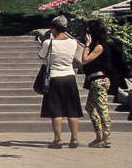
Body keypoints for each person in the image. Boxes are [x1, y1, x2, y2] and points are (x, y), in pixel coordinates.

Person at [39, 16, 82, 149]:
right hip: (70, 76)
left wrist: (46, 40)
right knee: (72, 109)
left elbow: (41, 55)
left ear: (53, 28)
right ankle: (74, 138)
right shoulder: (73, 42)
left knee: (55, 109)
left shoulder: (49, 43)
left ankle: (58, 139)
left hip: (55, 77)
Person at [81, 19, 113, 148]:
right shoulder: (100, 45)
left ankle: (106, 137)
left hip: (99, 81)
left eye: (88, 31)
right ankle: (99, 136)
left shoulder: (100, 46)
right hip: (94, 80)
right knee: (90, 107)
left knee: (102, 107)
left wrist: (87, 45)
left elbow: (84, 60)